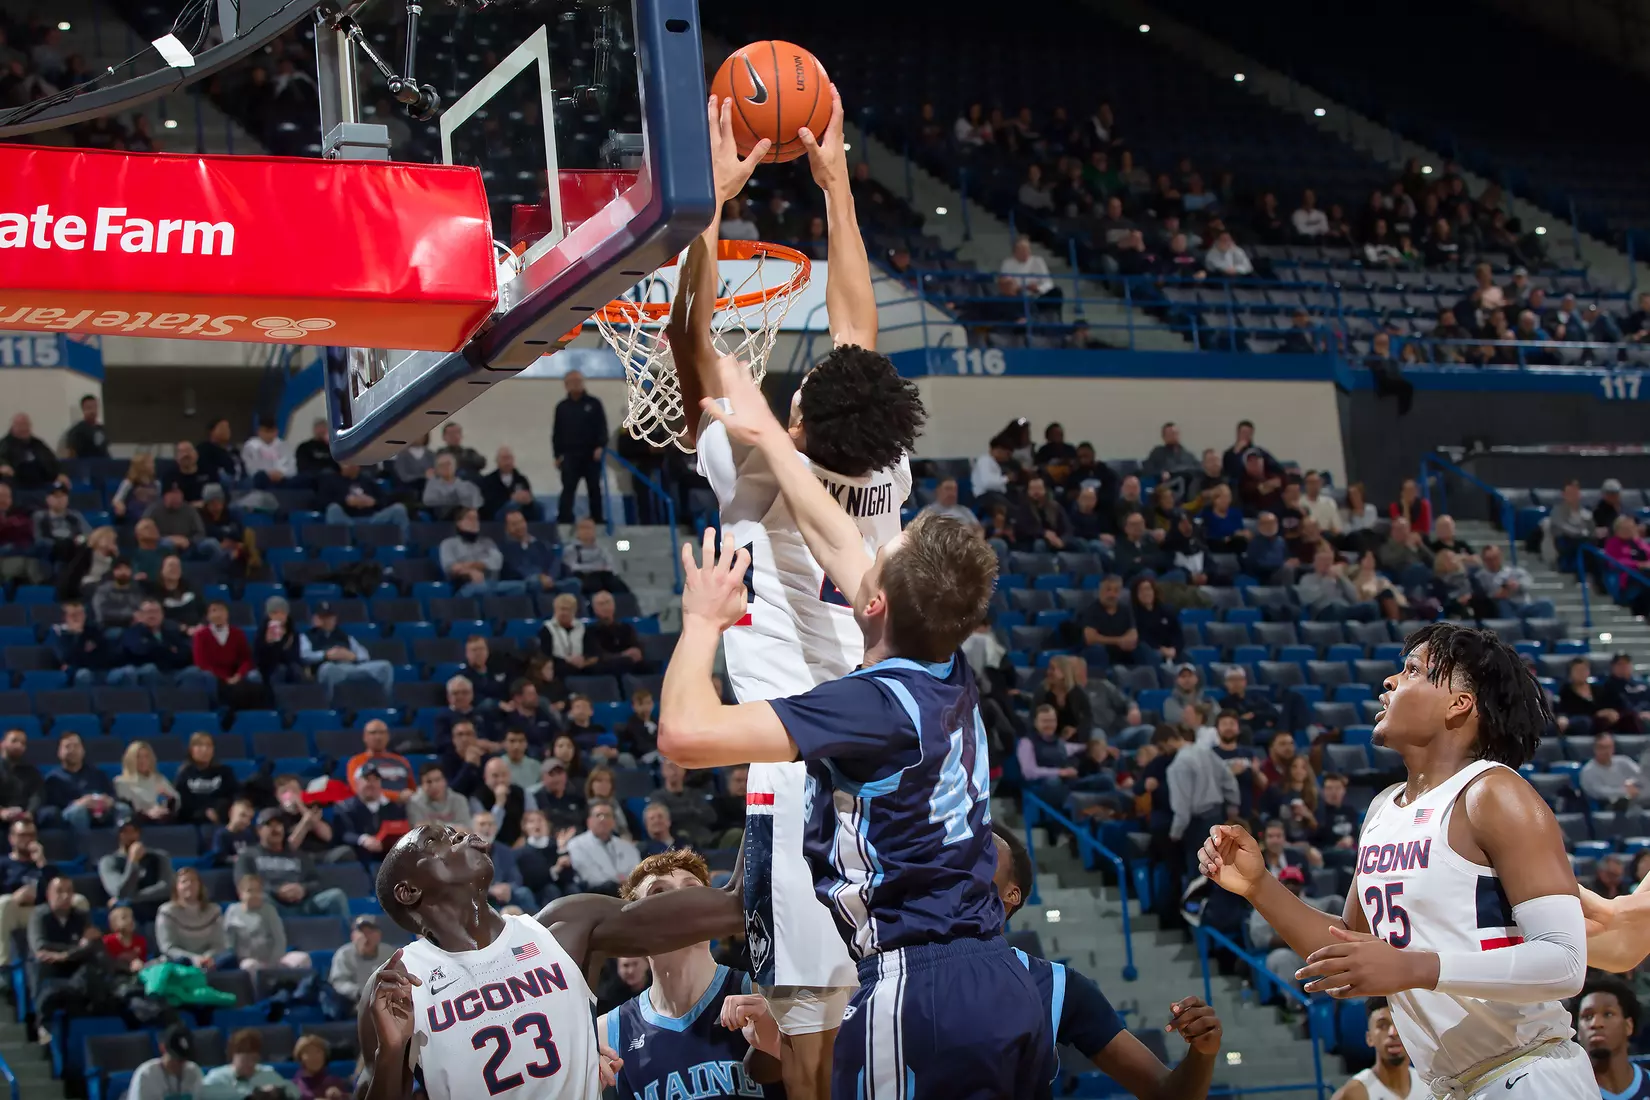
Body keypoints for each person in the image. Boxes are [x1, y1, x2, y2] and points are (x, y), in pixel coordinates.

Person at [660, 384, 1053, 1100]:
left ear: (873, 602)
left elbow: (684, 736)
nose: (863, 544)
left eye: (881, 553)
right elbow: (837, 536)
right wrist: (776, 439)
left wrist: (701, 623)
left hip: (920, 983)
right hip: (1000, 978)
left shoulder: (869, 706)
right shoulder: (948, 669)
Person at [662, 92, 930, 1098]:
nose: (803, 381)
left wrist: (707, 214)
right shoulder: (886, 466)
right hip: (888, 777)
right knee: (879, 1021)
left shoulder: (759, 468)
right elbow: (856, 329)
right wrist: (835, 186)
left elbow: (693, 354)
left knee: (803, 1045)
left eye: (803, 391)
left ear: (805, 426)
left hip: (796, 775)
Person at [1198, 622, 1594, 1098]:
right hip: (1449, 1086)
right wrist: (1259, 886)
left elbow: (1566, 963)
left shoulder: (1494, 792)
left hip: (1531, 1074)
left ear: (1458, 703)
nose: (1389, 681)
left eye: (1411, 670)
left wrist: (1413, 968)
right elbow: (1348, 950)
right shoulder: (1383, 809)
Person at [352, 820, 747, 1100]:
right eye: (441, 839)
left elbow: (735, 904)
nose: (468, 836)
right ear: (408, 891)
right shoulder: (399, 982)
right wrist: (389, 1054)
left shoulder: (564, 927)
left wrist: (772, 770)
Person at [991, 825, 1222, 1096]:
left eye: (983, 851)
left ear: (1011, 893)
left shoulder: (1056, 986)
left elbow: (1167, 1094)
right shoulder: (929, 965)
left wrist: (1203, 1053)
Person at [598, 850, 783, 1099]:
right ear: (634, 927)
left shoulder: (764, 994)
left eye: (691, 890)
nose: (679, 902)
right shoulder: (606, 1034)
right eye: (659, 893)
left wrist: (782, 1047)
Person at [235, 809, 350, 921]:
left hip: (303, 905)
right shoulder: (248, 856)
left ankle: (344, 937)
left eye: (279, 825)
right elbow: (243, 884)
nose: (276, 829)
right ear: (258, 830)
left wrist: (302, 889)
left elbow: (316, 882)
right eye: (269, 825)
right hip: (272, 904)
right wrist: (277, 890)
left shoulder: (299, 855)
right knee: (260, 899)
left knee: (336, 896)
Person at [1570, 974, 1650, 1098]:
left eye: (1608, 1014)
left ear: (1628, 1026)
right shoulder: (1565, 1090)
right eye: (1587, 1017)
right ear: (1578, 1032)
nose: (1596, 1024)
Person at [1329, 998, 1421, 1100]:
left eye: (1399, 1023)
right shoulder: (1353, 1093)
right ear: (1369, 1038)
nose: (1393, 1032)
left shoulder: (1430, 1084)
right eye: (1383, 1025)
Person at [301, 601, 395, 700]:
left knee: (385, 666)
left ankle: (386, 700)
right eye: (325, 618)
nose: (329, 620)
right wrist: (326, 655)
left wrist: (353, 656)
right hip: (330, 668)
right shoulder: (307, 636)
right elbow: (304, 655)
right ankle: (330, 704)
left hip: (351, 667)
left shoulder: (343, 636)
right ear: (317, 619)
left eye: (331, 617)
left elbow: (364, 654)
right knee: (328, 668)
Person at [553, 369, 609, 524]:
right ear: (566, 385)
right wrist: (557, 455)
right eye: (572, 382)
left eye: (579, 381)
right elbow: (557, 433)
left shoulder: (594, 403)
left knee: (594, 488)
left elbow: (602, 427)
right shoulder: (562, 407)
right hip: (570, 455)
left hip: (591, 454)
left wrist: (600, 446)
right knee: (568, 488)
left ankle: (597, 518)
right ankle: (564, 518)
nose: (576, 385)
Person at [225, 873, 312, 971]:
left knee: (302, 958)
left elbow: (279, 939)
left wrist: (273, 962)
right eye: (250, 891)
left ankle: (302, 985)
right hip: (248, 961)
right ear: (240, 893)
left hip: (274, 961)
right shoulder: (232, 911)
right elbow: (228, 941)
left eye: (258, 891)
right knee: (249, 965)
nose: (254, 895)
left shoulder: (269, 910)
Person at [40, 730, 122, 831]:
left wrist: (108, 801)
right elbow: (55, 805)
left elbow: (112, 795)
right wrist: (80, 803)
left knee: (123, 809)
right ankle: (84, 845)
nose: (72, 750)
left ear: (83, 750)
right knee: (79, 812)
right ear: (59, 752)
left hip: (100, 810)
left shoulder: (97, 773)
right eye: (67, 747)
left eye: (76, 746)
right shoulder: (53, 779)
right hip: (71, 814)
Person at [440, 508, 527, 598]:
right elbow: (450, 568)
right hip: (465, 586)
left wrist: (470, 565)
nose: (474, 522)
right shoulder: (448, 544)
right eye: (470, 518)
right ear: (459, 523)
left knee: (519, 586)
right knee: (482, 589)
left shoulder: (487, 542)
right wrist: (470, 572)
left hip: (491, 583)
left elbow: (496, 562)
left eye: (476, 519)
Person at [99, 818, 176, 917]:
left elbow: (167, 887)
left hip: (158, 908)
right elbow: (120, 891)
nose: (130, 836)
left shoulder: (159, 856)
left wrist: (133, 898)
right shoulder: (109, 861)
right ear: (119, 835)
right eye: (125, 832)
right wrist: (133, 861)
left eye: (133, 831)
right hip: (127, 913)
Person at [326, 914, 396, 1019]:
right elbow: (338, 982)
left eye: (370, 932)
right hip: (355, 1002)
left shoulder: (389, 953)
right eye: (361, 932)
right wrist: (359, 991)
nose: (365, 936)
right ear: (353, 936)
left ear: (379, 935)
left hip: (386, 999)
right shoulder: (344, 954)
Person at [157, 866, 227, 969]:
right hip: (179, 962)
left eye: (193, 881)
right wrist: (193, 958)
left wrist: (206, 958)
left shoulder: (214, 911)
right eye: (184, 881)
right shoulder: (166, 912)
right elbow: (168, 947)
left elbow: (219, 944)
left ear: (200, 885)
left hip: (210, 961)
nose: (189, 884)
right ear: (176, 887)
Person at [567, 802, 640, 895]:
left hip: (630, 893)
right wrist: (618, 884)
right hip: (597, 895)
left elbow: (637, 872)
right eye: (598, 815)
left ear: (614, 822)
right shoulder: (576, 845)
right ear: (589, 821)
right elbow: (590, 877)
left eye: (607, 815)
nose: (603, 819)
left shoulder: (627, 846)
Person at [202, 1028, 298, 1098]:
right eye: (245, 1059)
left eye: (254, 1059)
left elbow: (294, 1092)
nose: (251, 1063)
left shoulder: (266, 1073)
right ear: (232, 1057)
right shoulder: (218, 1077)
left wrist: (278, 1092)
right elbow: (202, 1095)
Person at [176, 731, 239, 825]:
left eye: (209, 746)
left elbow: (234, 796)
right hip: (193, 822)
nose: (205, 749)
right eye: (200, 745)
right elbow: (183, 804)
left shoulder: (225, 772)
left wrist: (218, 811)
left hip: (221, 819)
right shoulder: (184, 774)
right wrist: (204, 812)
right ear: (191, 750)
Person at [129, 1024, 205, 1100]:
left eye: (184, 1059)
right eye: (176, 1058)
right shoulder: (146, 1075)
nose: (180, 1064)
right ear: (162, 1048)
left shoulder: (193, 1071)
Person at [116, 739, 180, 821]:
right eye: (138, 757)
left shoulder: (159, 779)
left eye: (146, 756)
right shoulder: (121, 782)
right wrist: (148, 813)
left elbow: (177, 801)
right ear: (130, 760)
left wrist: (170, 798)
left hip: (164, 820)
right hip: (139, 823)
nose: (143, 761)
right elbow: (127, 809)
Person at [562, 516, 628, 594]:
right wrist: (596, 568)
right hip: (583, 577)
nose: (586, 531)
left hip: (602, 577)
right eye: (583, 528)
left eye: (589, 528)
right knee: (594, 582)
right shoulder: (570, 549)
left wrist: (601, 569)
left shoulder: (602, 549)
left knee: (618, 585)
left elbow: (610, 566)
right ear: (577, 531)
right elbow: (573, 567)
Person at [408, 761, 471, 827]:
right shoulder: (414, 802)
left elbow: (466, 829)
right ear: (422, 785)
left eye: (437, 780)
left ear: (445, 781)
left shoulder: (459, 800)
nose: (434, 786)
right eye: (429, 782)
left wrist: (435, 824)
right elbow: (418, 831)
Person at [292, 1033, 351, 1100]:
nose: (314, 1057)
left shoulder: (334, 1082)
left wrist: (340, 1096)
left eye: (318, 1052)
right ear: (300, 1058)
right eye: (308, 1052)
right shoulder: (294, 1086)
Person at [64, 393, 109, 459]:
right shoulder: (77, 430)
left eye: (95, 407)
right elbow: (71, 454)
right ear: (83, 409)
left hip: (103, 466)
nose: (93, 411)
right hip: (85, 466)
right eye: (89, 408)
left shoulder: (102, 429)